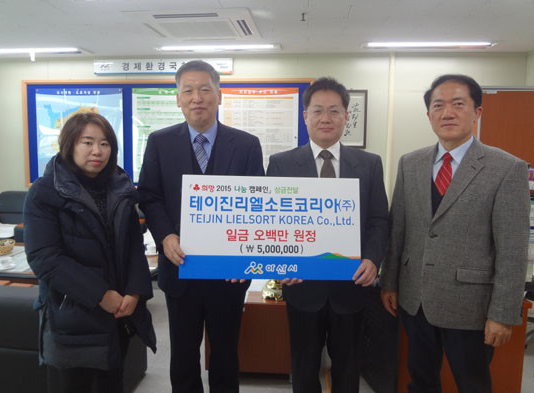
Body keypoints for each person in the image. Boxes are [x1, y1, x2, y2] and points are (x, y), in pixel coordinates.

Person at [379, 74, 530, 393]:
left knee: (473, 384)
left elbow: (512, 250)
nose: (447, 113)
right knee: (421, 381)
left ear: (477, 112)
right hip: (415, 299)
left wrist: (503, 314)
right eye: (438, 105)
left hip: (471, 305)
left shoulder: (506, 168)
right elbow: (398, 229)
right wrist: (389, 282)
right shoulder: (410, 163)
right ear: (429, 115)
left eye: (458, 104)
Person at [137, 60, 264, 393]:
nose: (197, 98)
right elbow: (149, 195)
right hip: (180, 267)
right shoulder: (160, 142)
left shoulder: (247, 145)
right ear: (178, 98)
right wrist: (165, 235)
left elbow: (257, 203)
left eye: (205, 89)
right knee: (182, 355)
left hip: (229, 272)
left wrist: (244, 256)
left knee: (225, 354)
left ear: (219, 95)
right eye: (188, 90)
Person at [266, 77, 389, 393]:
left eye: (334, 111)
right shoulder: (281, 164)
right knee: (304, 369)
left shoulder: (369, 164)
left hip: (351, 286)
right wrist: (281, 265)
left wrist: (373, 259)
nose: (326, 118)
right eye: (317, 110)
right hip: (301, 286)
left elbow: (378, 219)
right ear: (305, 116)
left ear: (346, 116)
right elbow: (271, 222)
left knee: (348, 368)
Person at [24, 112, 156, 393]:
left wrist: (135, 292)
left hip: (118, 315)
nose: (97, 151)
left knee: (112, 383)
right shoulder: (45, 191)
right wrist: (100, 295)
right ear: (69, 144)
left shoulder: (120, 187)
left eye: (104, 143)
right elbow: (44, 258)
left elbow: (134, 245)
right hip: (71, 318)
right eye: (87, 142)